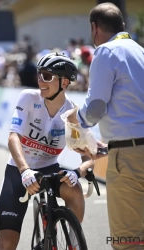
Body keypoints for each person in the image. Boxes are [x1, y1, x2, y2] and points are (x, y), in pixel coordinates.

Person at [66, 3, 144, 250]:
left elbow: (96, 107)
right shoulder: (140, 51)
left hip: (129, 154)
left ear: (94, 28)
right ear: (122, 25)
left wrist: (74, 118)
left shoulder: (106, 52)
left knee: (128, 239)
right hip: (132, 145)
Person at [0, 53, 94, 250]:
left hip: (49, 169)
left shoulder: (72, 113)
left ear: (64, 82)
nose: (41, 80)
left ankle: (72, 245)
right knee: (7, 243)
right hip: (19, 170)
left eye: (47, 77)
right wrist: (24, 171)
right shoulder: (28, 98)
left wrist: (77, 172)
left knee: (74, 191)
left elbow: (90, 156)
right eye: (40, 75)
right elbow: (13, 137)